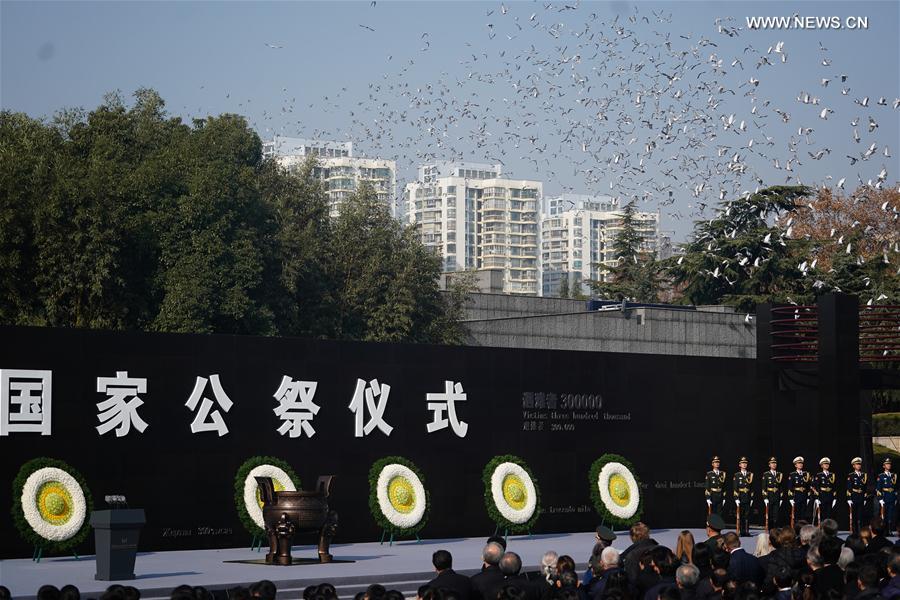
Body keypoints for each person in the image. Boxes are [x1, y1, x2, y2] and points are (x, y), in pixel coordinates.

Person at [788, 457, 812, 524]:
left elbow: (808, 487)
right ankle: (796, 528)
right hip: (796, 495)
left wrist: (808, 497)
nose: (800, 464)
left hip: (804, 495)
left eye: (801, 463)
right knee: (797, 513)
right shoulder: (792, 474)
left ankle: (802, 528)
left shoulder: (806, 474)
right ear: (795, 465)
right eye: (799, 463)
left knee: (803, 513)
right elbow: (790, 487)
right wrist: (790, 498)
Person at [733, 457, 753, 537]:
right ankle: (741, 531)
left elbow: (751, 488)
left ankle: (747, 531)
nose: (744, 464)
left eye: (745, 463)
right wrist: (736, 498)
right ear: (740, 465)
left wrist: (751, 498)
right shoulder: (737, 475)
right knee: (740, 516)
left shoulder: (750, 475)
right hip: (740, 497)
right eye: (742, 463)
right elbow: (735, 488)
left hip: (747, 497)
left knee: (747, 516)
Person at [762, 457, 784, 530]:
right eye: (772, 463)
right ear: (769, 465)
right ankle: (770, 529)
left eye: (775, 463)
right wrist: (765, 498)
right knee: (770, 514)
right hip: (769, 496)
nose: (774, 464)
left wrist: (781, 498)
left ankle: (775, 529)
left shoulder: (779, 474)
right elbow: (764, 487)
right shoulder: (766, 474)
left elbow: (781, 487)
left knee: (776, 514)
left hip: (777, 495)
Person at [847, 457, 868, 534]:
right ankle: (855, 531)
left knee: (861, 515)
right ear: (853, 466)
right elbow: (849, 488)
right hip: (854, 496)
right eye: (857, 464)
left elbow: (865, 488)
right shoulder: (851, 475)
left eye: (859, 464)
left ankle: (860, 530)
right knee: (855, 515)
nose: (858, 466)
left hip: (861, 496)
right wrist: (849, 498)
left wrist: (865, 498)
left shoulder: (864, 475)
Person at [812, 457, 836, 524]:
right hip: (822, 495)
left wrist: (835, 498)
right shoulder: (819, 475)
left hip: (830, 495)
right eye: (825, 464)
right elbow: (815, 487)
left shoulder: (832, 475)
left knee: (829, 514)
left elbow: (834, 487)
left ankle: (829, 529)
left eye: (827, 464)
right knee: (823, 514)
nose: (826, 465)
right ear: (821, 465)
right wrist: (816, 498)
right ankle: (823, 530)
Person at [877, 458, 898, 533]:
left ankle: (889, 530)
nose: (889, 465)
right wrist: (880, 499)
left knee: (890, 514)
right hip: (885, 497)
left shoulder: (893, 475)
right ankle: (883, 530)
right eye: (887, 464)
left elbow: (895, 488)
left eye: (889, 464)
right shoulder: (881, 476)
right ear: (884, 466)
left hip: (892, 497)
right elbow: (878, 489)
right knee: (883, 515)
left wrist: (895, 498)